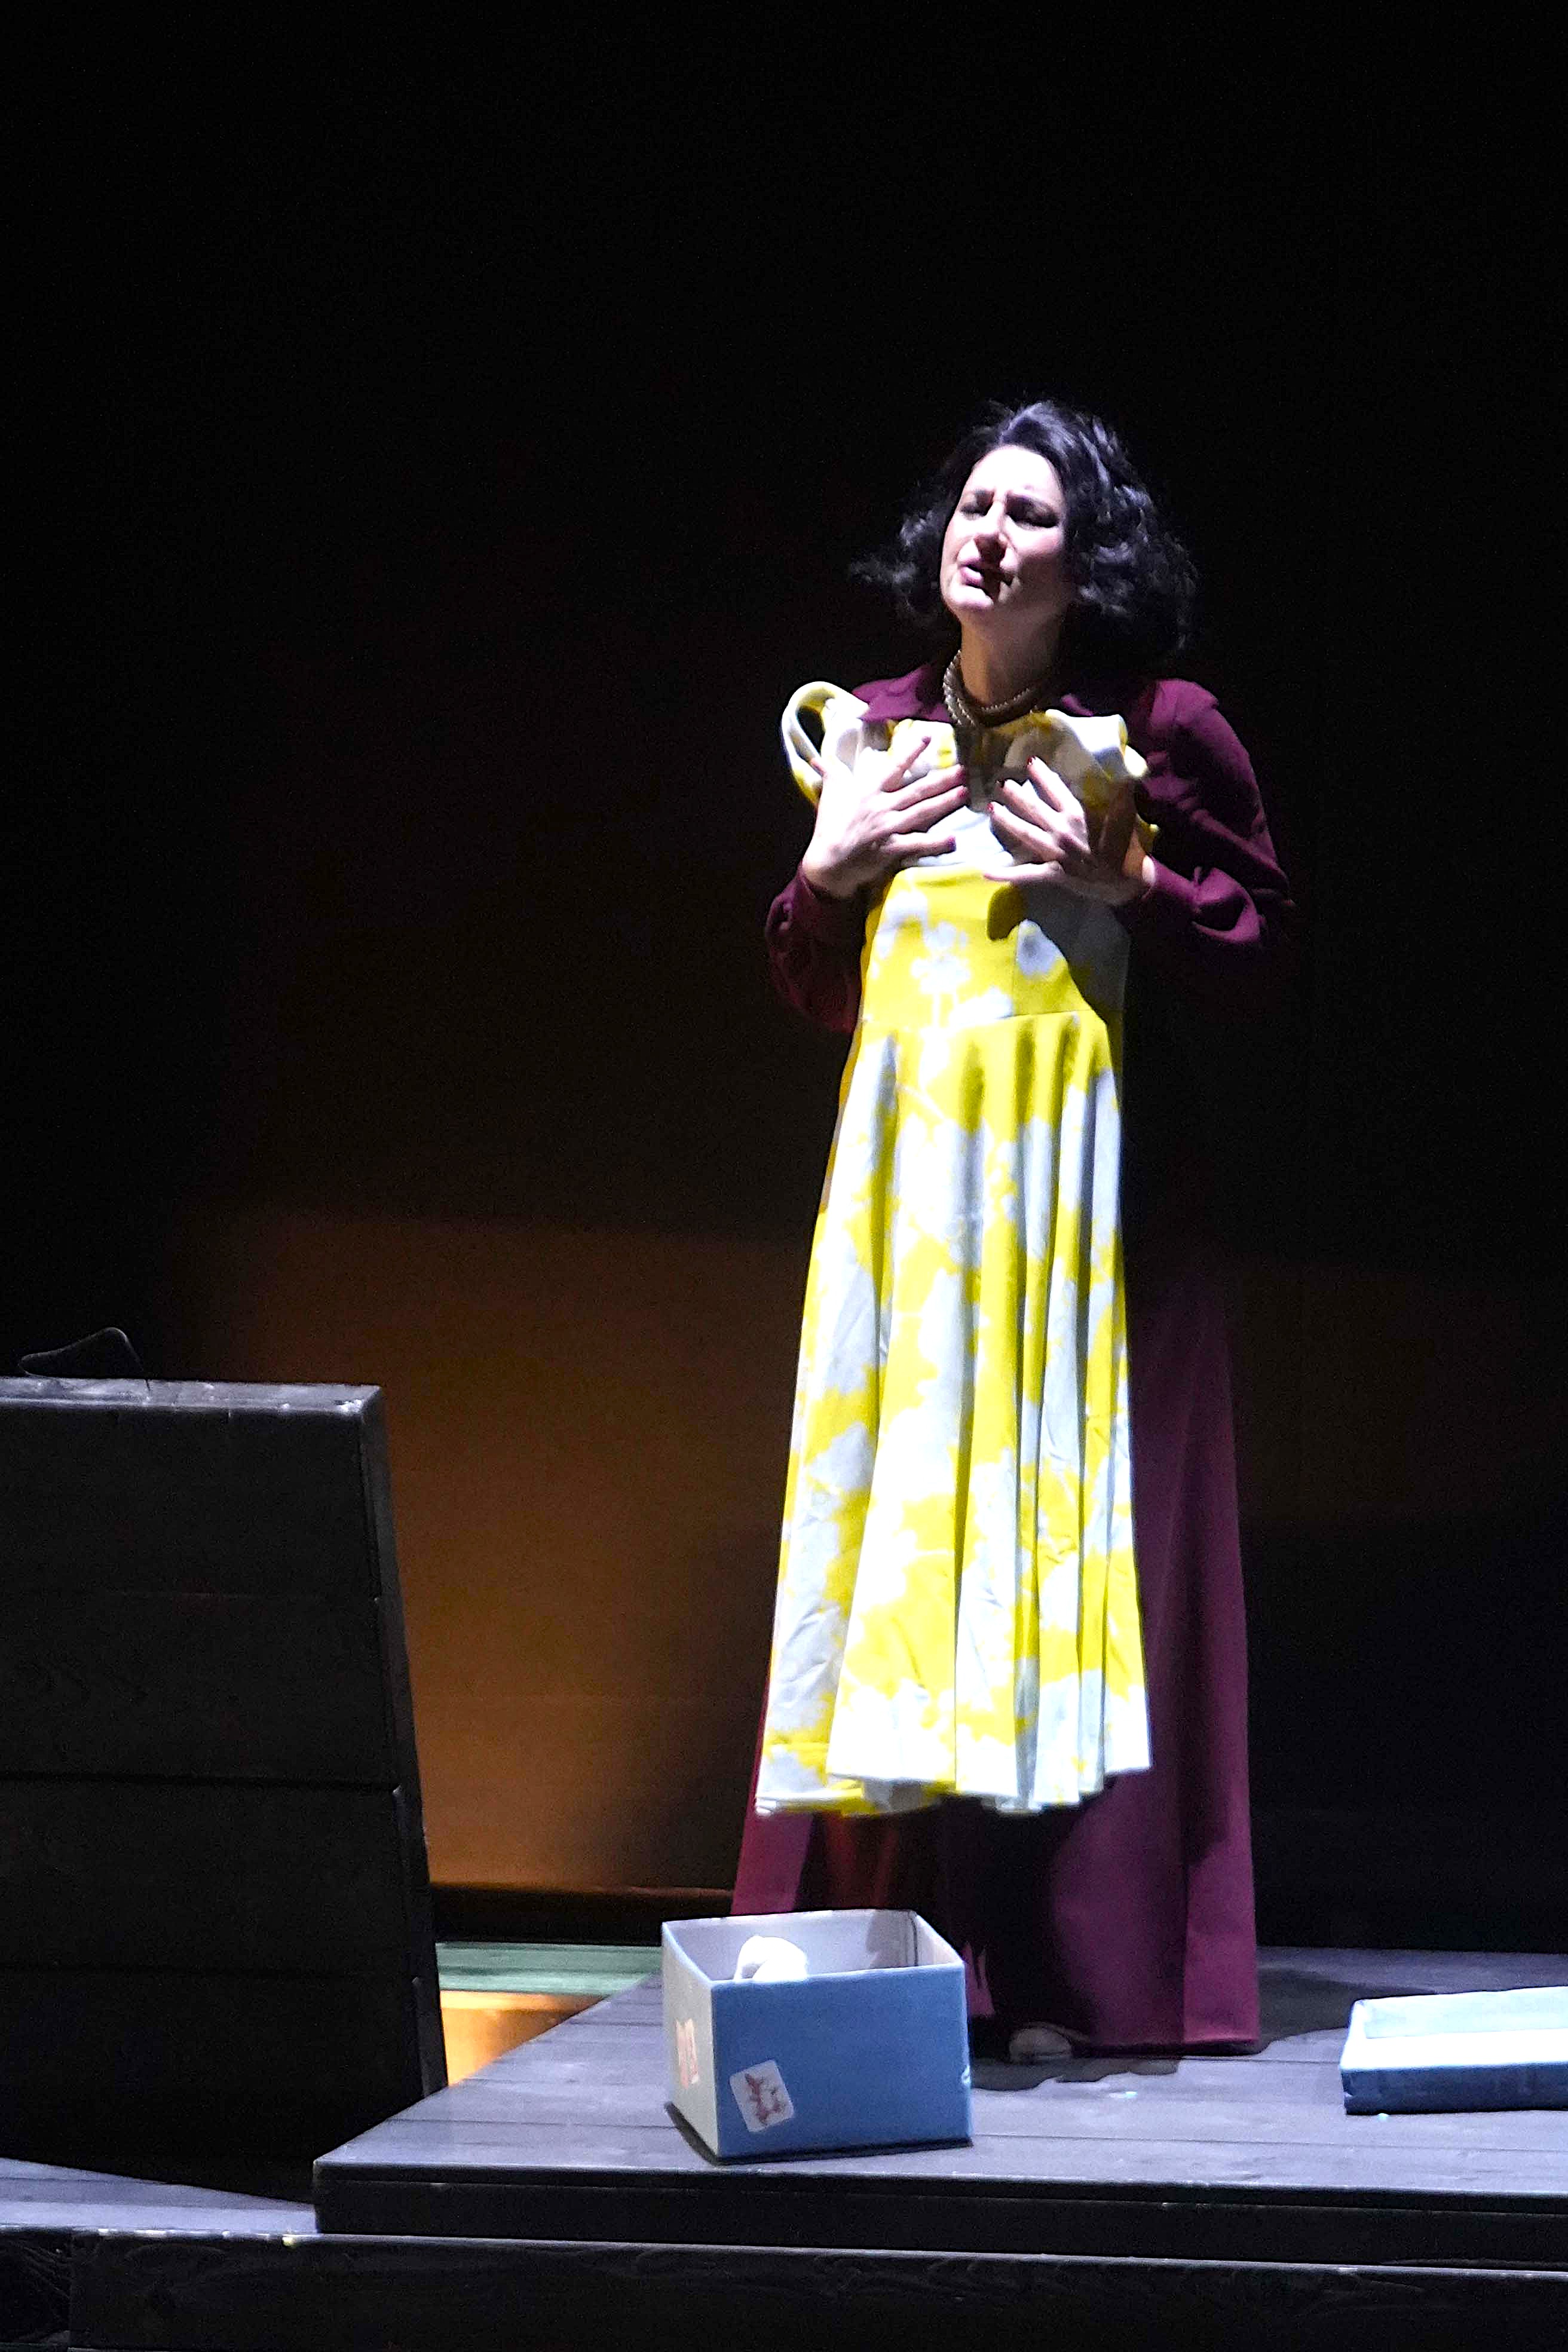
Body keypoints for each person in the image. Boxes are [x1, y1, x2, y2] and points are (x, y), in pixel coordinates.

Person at [730, 399, 1294, 2056]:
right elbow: (816, 984)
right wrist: (827, 873)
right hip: (913, 1235)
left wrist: (1137, 886)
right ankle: (913, 1967)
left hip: (1097, 1236)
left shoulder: (1154, 732)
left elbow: (1264, 949)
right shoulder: (876, 732)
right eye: (974, 506)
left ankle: (1076, 1975)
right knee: (905, 1561)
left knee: (1068, 1566)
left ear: (1086, 559)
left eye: (1030, 514)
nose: (988, 535)